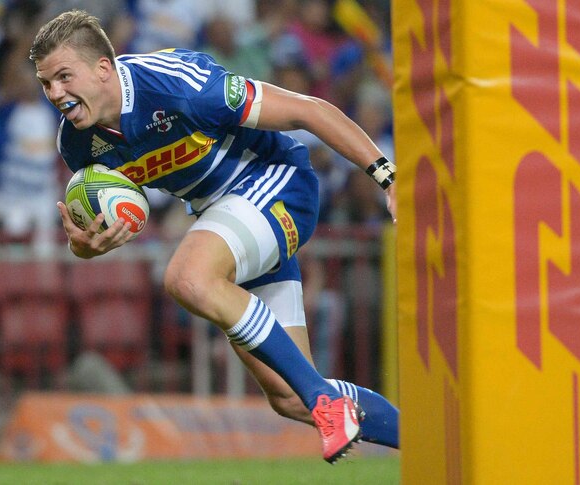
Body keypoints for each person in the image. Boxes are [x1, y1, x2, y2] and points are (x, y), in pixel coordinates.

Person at [29, 9, 399, 463]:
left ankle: (328, 403)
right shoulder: (78, 144)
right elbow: (96, 224)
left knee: (188, 278)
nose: (55, 93)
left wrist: (387, 176)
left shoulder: (180, 85)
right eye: (47, 83)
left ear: (103, 68)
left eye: (64, 77)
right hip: (226, 218)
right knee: (287, 395)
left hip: (277, 183)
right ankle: (429, 441)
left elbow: (307, 110)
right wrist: (83, 247)